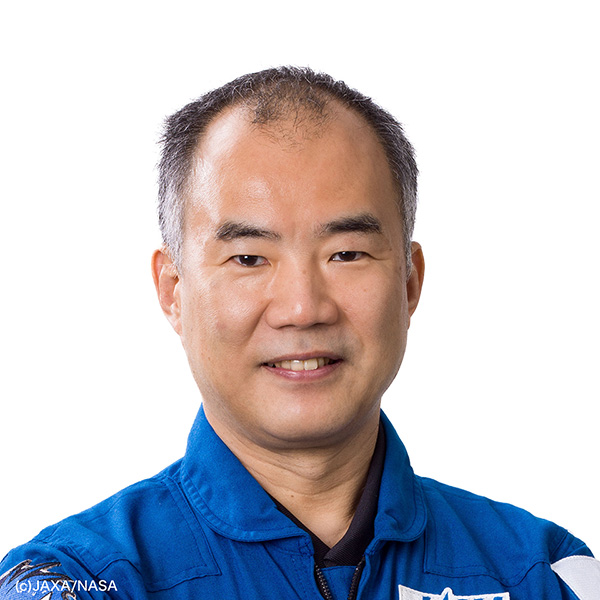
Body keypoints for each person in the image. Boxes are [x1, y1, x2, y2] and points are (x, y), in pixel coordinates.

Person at [0, 67, 597, 600]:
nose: (303, 308)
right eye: (248, 258)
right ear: (173, 290)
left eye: (347, 253)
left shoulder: (543, 574)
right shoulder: (80, 579)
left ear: (410, 282)